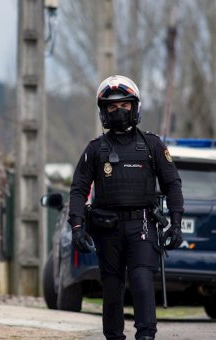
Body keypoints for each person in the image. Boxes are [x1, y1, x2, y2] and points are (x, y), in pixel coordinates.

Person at [67, 75, 184, 340]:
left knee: (142, 281)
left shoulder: (153, 145)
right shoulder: (94, 150)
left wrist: (176, 224)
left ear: (135, 106)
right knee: (112, 287)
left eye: (125, 105)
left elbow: (173, 185)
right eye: (112, 106)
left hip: (142, 225)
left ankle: (145, 335)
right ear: (103, 111)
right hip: (107, 229)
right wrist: (76, 227)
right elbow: (78, 190)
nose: (119, 111)